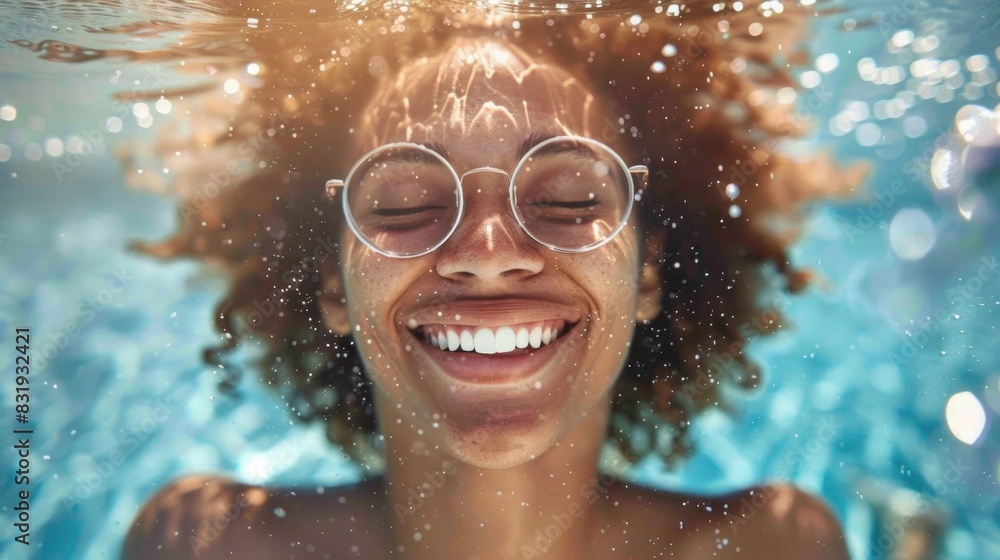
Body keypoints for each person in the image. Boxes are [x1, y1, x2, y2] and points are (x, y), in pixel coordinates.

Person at [122, 2, 863, 558]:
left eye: (568, 197)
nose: (485, 250)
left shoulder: (772, 545)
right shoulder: (203, 544)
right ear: (331, 288)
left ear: (648, 276)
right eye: (407, 200)